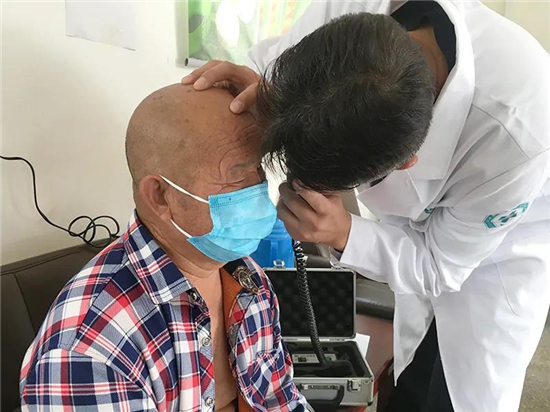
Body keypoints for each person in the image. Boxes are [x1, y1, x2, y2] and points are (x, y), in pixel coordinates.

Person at [182, 1, 550, 411]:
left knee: (451, 394)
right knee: (406, 384)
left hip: (493, 261)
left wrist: (344, 233)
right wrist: (264, 86)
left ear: (405, 163)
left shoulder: (520, 132)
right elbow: (283, 81)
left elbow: (438, 265)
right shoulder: (345, 16)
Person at [19, 84, 308, 412]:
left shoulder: (247, 279)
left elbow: (279, 398)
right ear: (160, 196)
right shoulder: (90, 351)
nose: (259, 187)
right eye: (237, 174)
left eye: (258, 169)